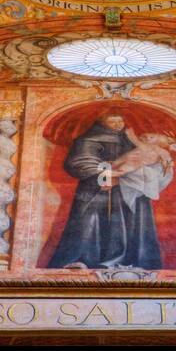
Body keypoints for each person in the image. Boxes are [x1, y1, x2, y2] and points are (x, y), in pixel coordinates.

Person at [46, 113, 164, 270]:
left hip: (130, 188)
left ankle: (130, 262)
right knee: (90, 223)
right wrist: (105, 175)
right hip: (97, 189)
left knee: (132, 223)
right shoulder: (87, 139)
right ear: (101, 122)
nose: (117, 124)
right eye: (112, 121)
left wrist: (131, 170)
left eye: (120, 120)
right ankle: (84, 260)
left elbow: (149, 159)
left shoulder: (132, 140)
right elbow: (80, 161)